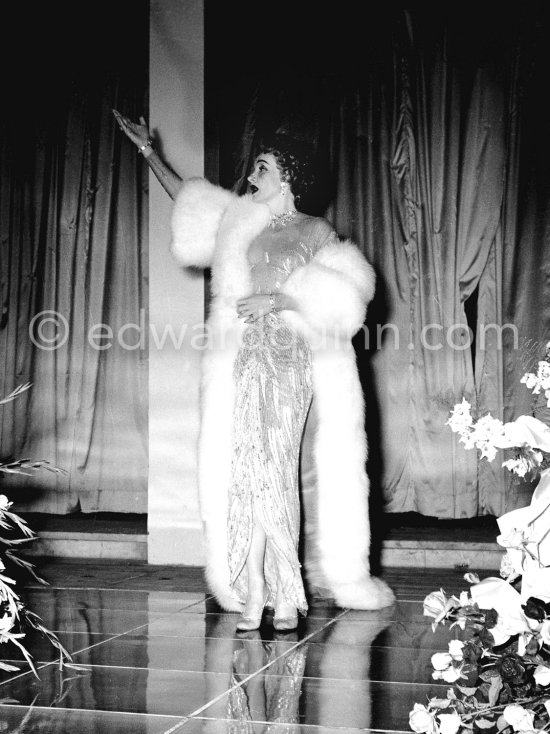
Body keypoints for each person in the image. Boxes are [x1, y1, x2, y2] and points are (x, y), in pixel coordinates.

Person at [113, 110, 395, 631]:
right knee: (246, 473)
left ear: (287, 174)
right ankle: (256, 588)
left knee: (277, 472)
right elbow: (190, 202)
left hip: (291, 361)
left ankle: (287, 590)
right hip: (246, 360)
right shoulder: (244, 222)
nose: (251, 177)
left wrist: (282, 298)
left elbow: (347, 299)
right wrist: (149, 152)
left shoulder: (316, 230)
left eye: (262, 167)